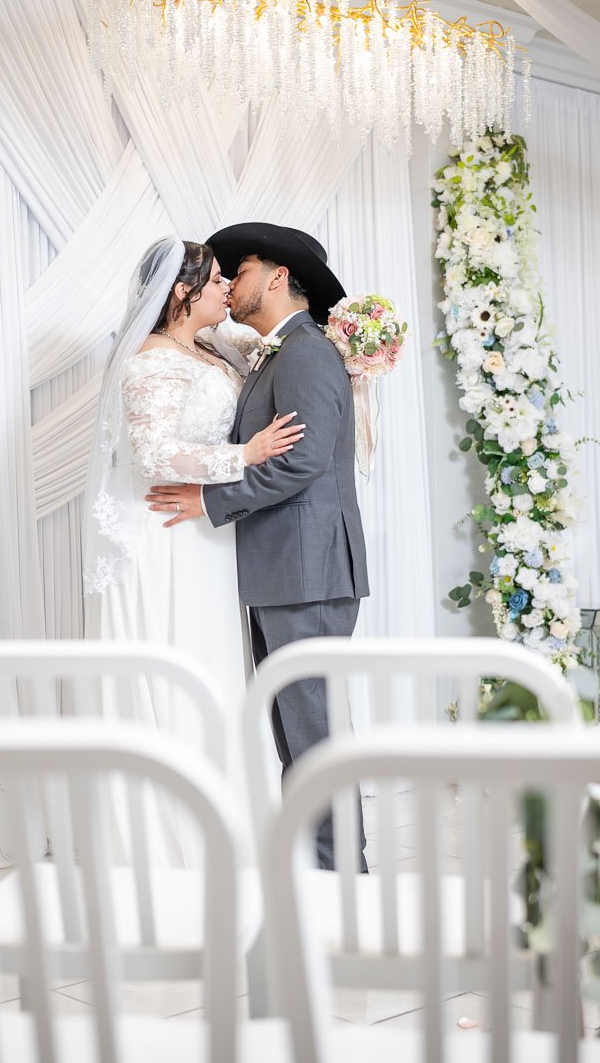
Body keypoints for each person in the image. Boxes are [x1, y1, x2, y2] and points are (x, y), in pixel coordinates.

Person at [145, 222, 369, 872]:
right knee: (298, 738)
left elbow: (301, 464)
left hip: (309, 573)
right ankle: (321, 871)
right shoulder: (275, 351)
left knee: (316, 738)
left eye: (237, 271)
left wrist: (209, 501)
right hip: (285, 572)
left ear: (276, 278)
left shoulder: (304, 353)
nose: (229, 282)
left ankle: (344, 879)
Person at [82, 236, 304, 867]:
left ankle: (227, 825)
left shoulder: (211, 347)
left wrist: (358, 342)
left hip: (208, 532)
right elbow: (153, 455)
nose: (226, 291)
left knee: (216, 674)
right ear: (182, 292)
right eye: (214, 284)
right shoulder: (151, 361)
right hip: (167, 535)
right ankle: (170, 845)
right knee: (178, 673)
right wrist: (246, 455)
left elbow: (279, 338)